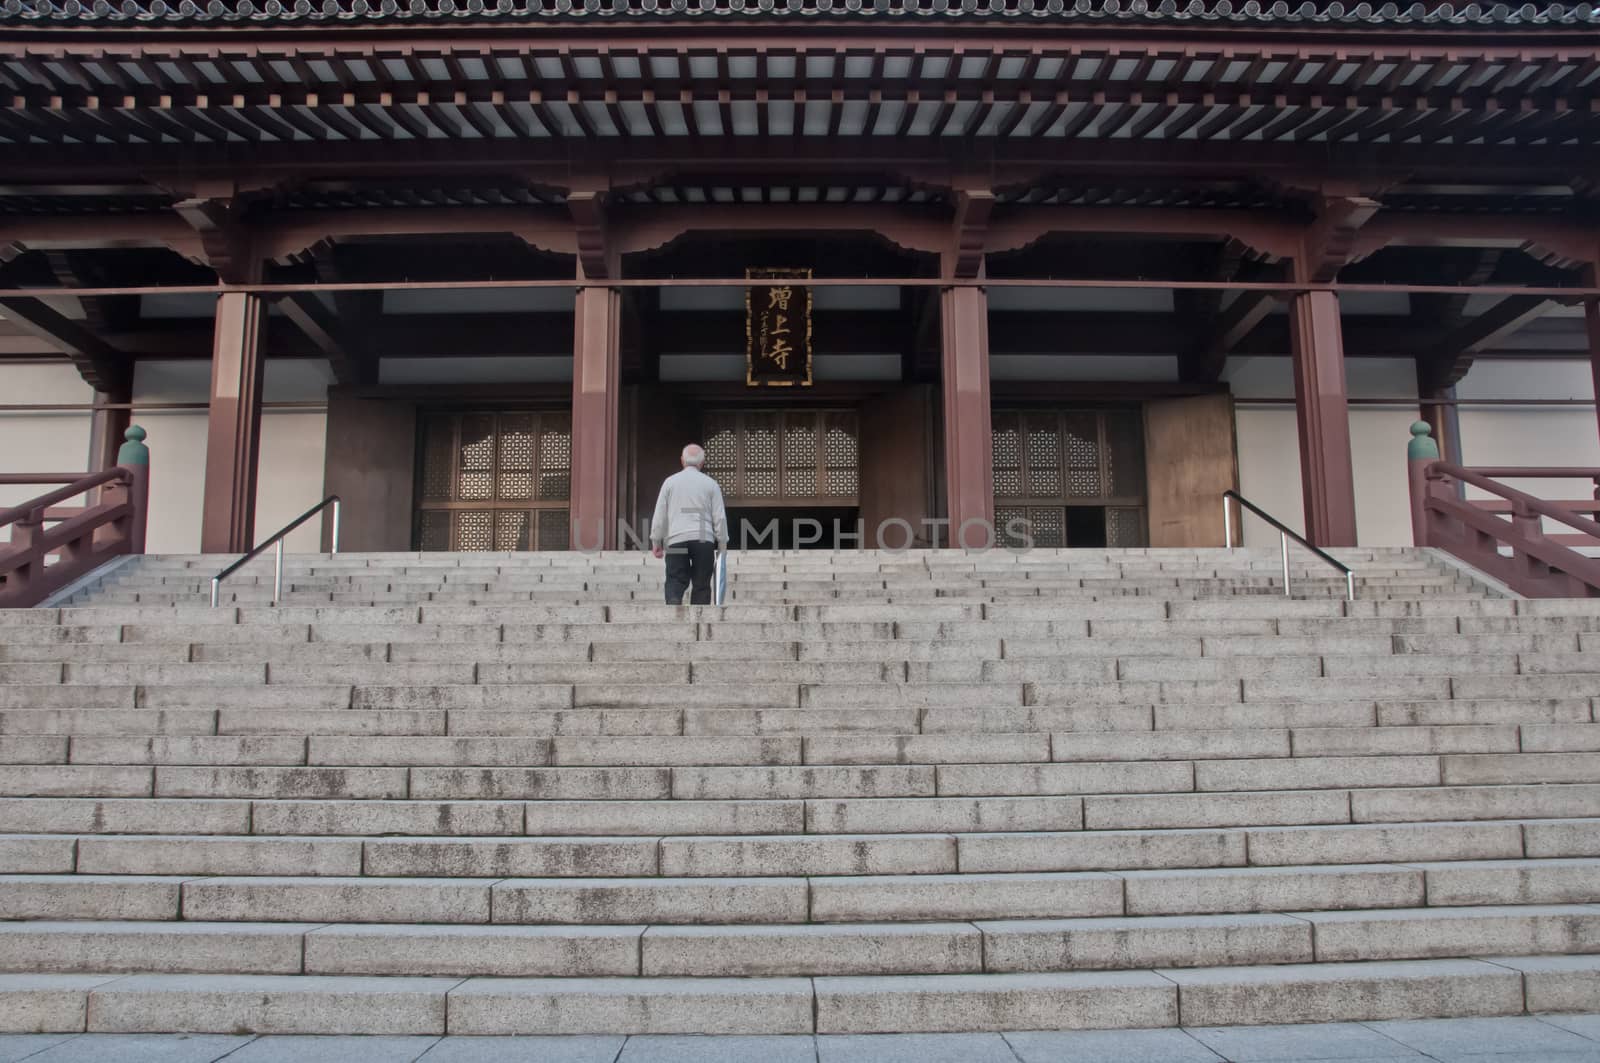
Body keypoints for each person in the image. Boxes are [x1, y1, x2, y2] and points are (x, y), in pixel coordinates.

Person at [650, 443, 729, 605]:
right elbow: (719, 517)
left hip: (676, 539)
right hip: (703, 539)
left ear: (682, 460)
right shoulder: (711, 484)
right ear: (702, 463)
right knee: (701, 583)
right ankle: (699, 617)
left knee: (675, 579)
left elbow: (660, 515)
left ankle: (673, 606)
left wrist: (656, 540)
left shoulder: (669, 483)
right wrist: (722, 544)